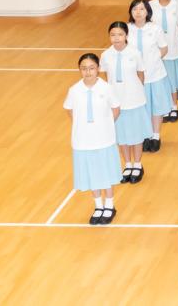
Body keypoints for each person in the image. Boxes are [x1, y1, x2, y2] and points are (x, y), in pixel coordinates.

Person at [64, 52, 122, 225]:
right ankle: (98, 205)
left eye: (91, 68)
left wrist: (105, 125)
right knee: (92, 173)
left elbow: (116, 109)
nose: (88, 72)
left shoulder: (107, 88)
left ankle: (109, 205)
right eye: (84, 69)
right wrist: (82, 126)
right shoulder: (74, 90)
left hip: (104, 139)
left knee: (105, 172)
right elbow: (69, 109)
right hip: (83, 141)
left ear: (98, 69)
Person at [99, 21, 148, 184]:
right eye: (113, 35)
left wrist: (136, 91)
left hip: (134, 99)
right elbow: (106, 77)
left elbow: (141, 74)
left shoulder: (135, 53)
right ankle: (127, 164)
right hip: (116, 102)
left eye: (120, 34)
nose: (116, 38)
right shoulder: (106, 55)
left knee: (136, 134)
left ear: (126, 35)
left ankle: (137, 164)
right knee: (122, 136)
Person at [127, 0, 170, 152]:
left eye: (141, 9)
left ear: (147, 12)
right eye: (135, 9)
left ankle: (155, 136)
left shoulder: (155, 28)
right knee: (141, 107)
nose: (138, 12)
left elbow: (164, 48)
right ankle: (145, 135)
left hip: (155, 74)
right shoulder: (126, 29)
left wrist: (153, 60)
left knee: (156, 106)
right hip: (134, 77)